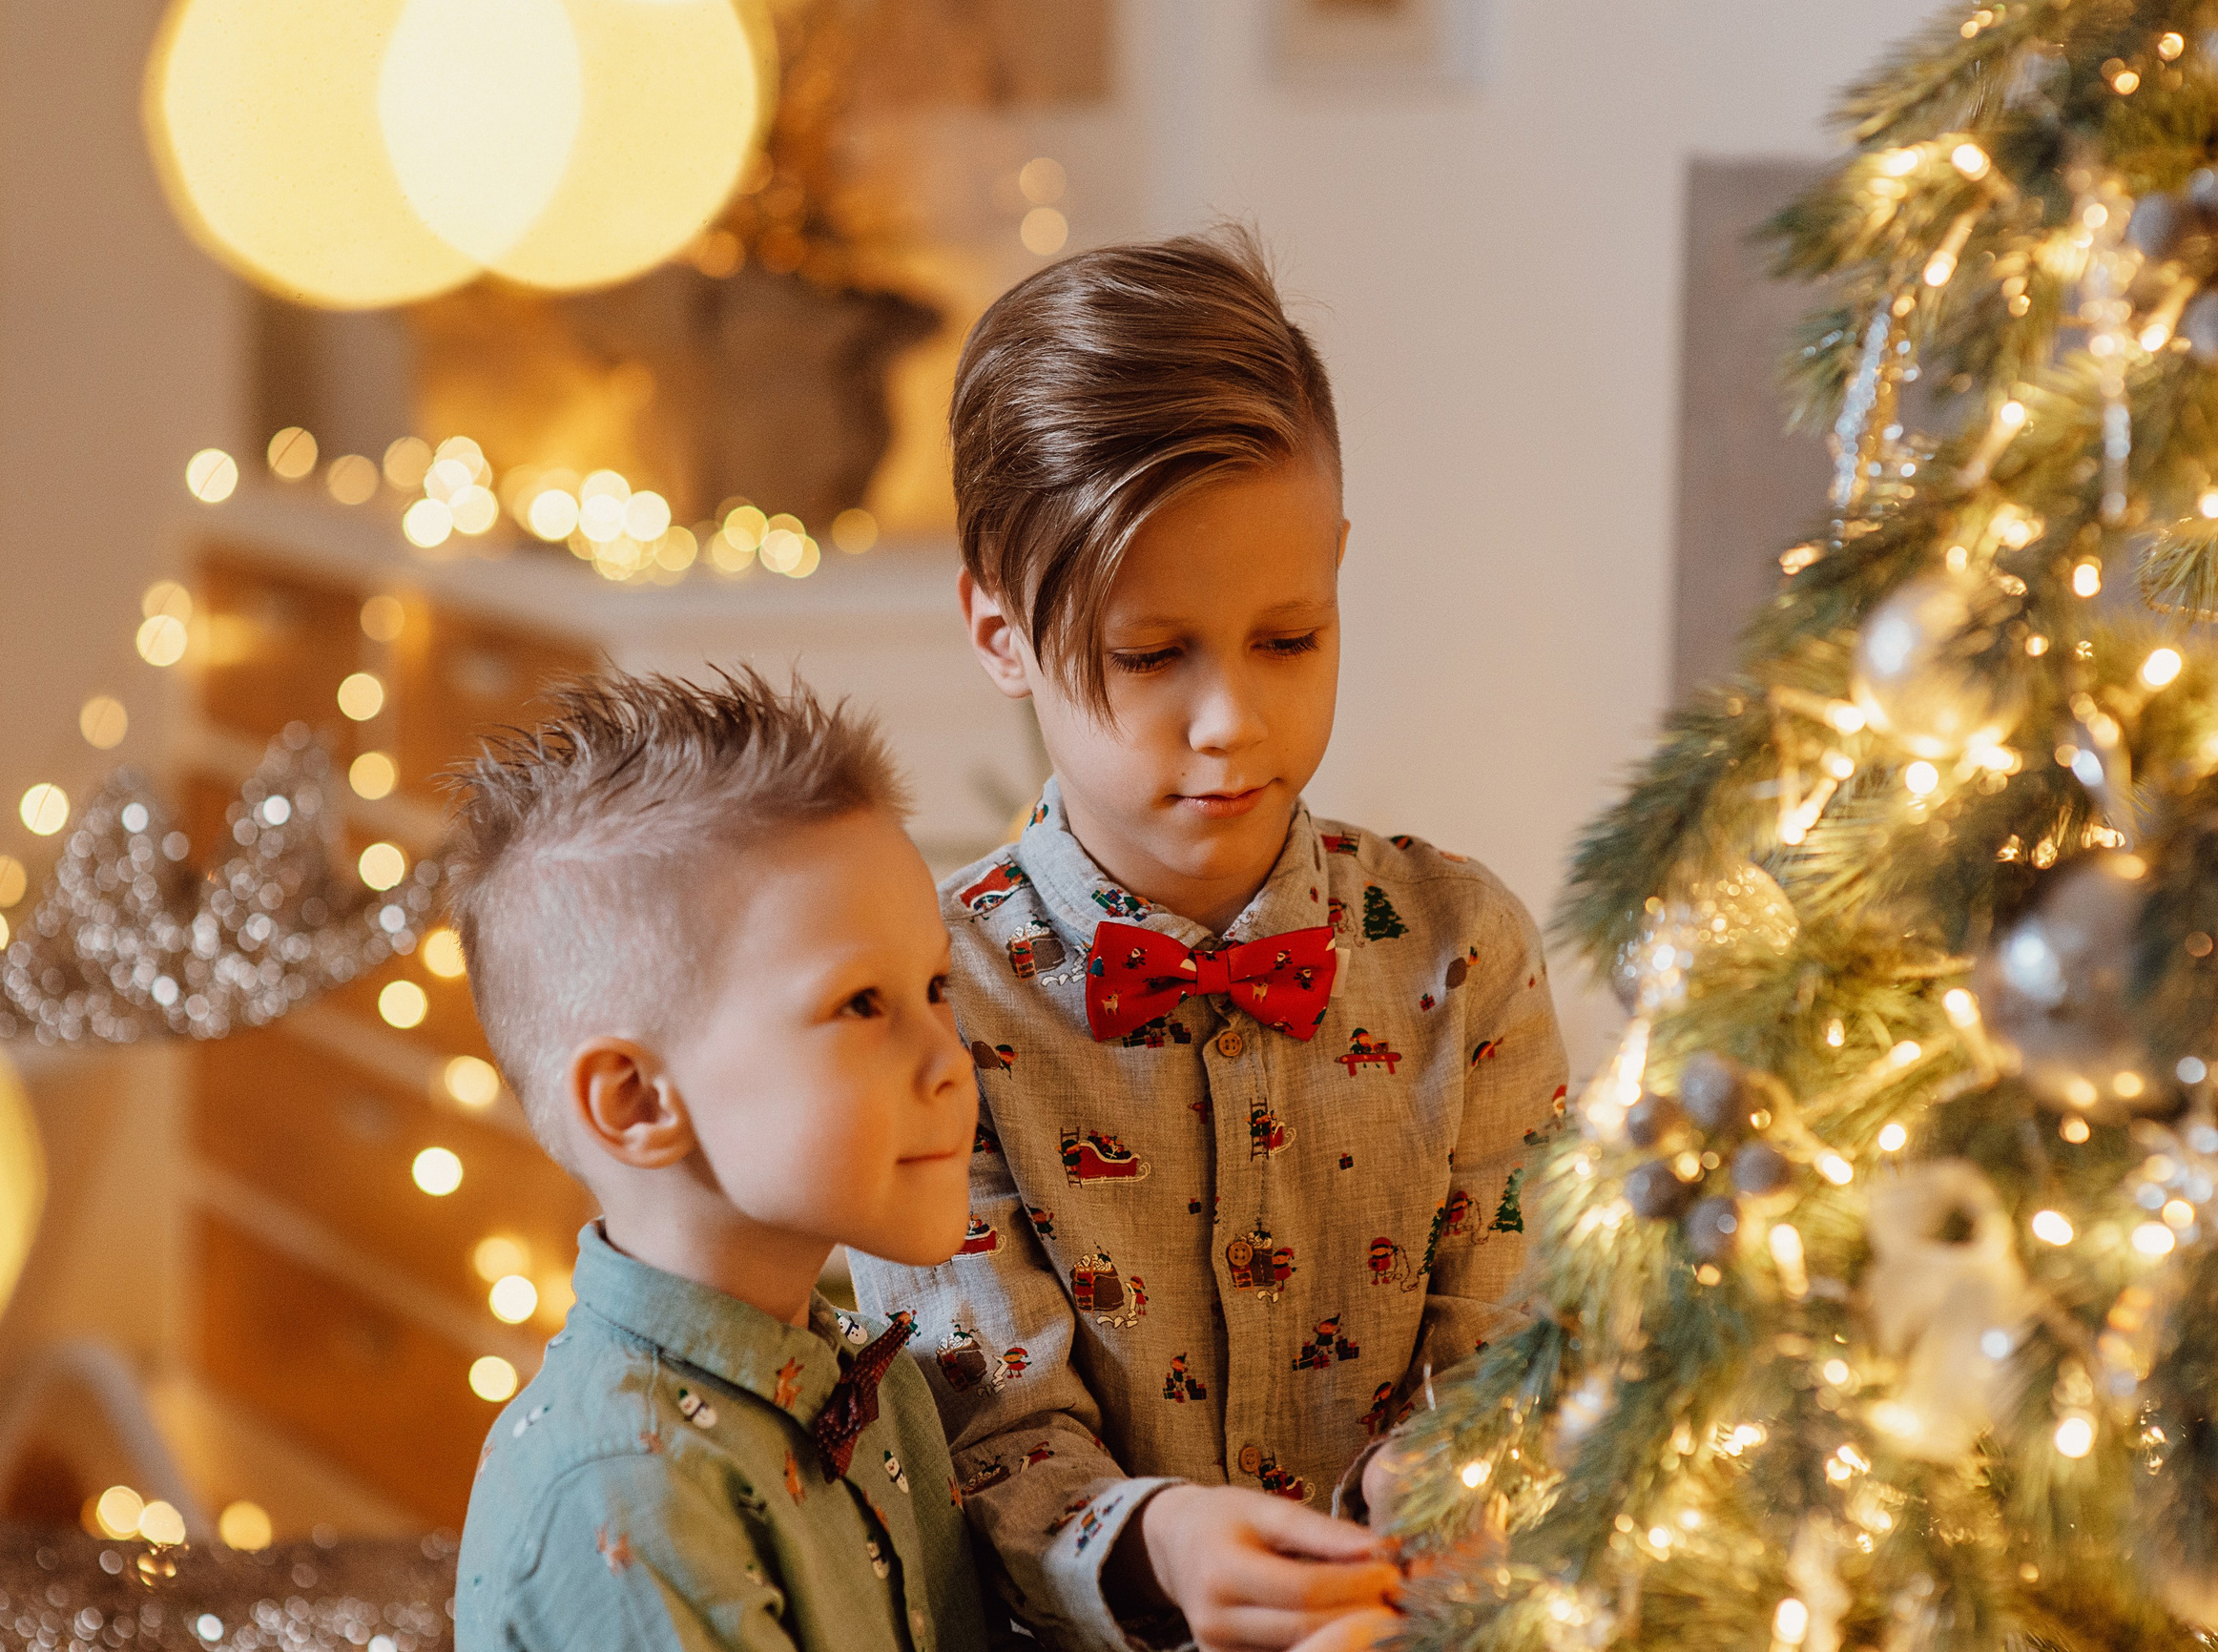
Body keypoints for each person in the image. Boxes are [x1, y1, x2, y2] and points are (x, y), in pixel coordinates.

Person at [850, 229, 1569, 1652]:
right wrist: (1158, 1547)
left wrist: (1447, 1483)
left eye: (1290, 638)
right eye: (1151, 655)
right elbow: (982, 1434)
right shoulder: (931, 996)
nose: (1233, 719)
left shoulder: (1465, 950)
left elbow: (1518, 1343)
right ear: (998, 630)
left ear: (1340, 569)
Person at [446, 671, 989, 1652]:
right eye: (863, 1003)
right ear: (640, 1103)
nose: (951, 1060)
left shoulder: (884, 1385)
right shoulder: (621, 1493)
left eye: (936, 984)